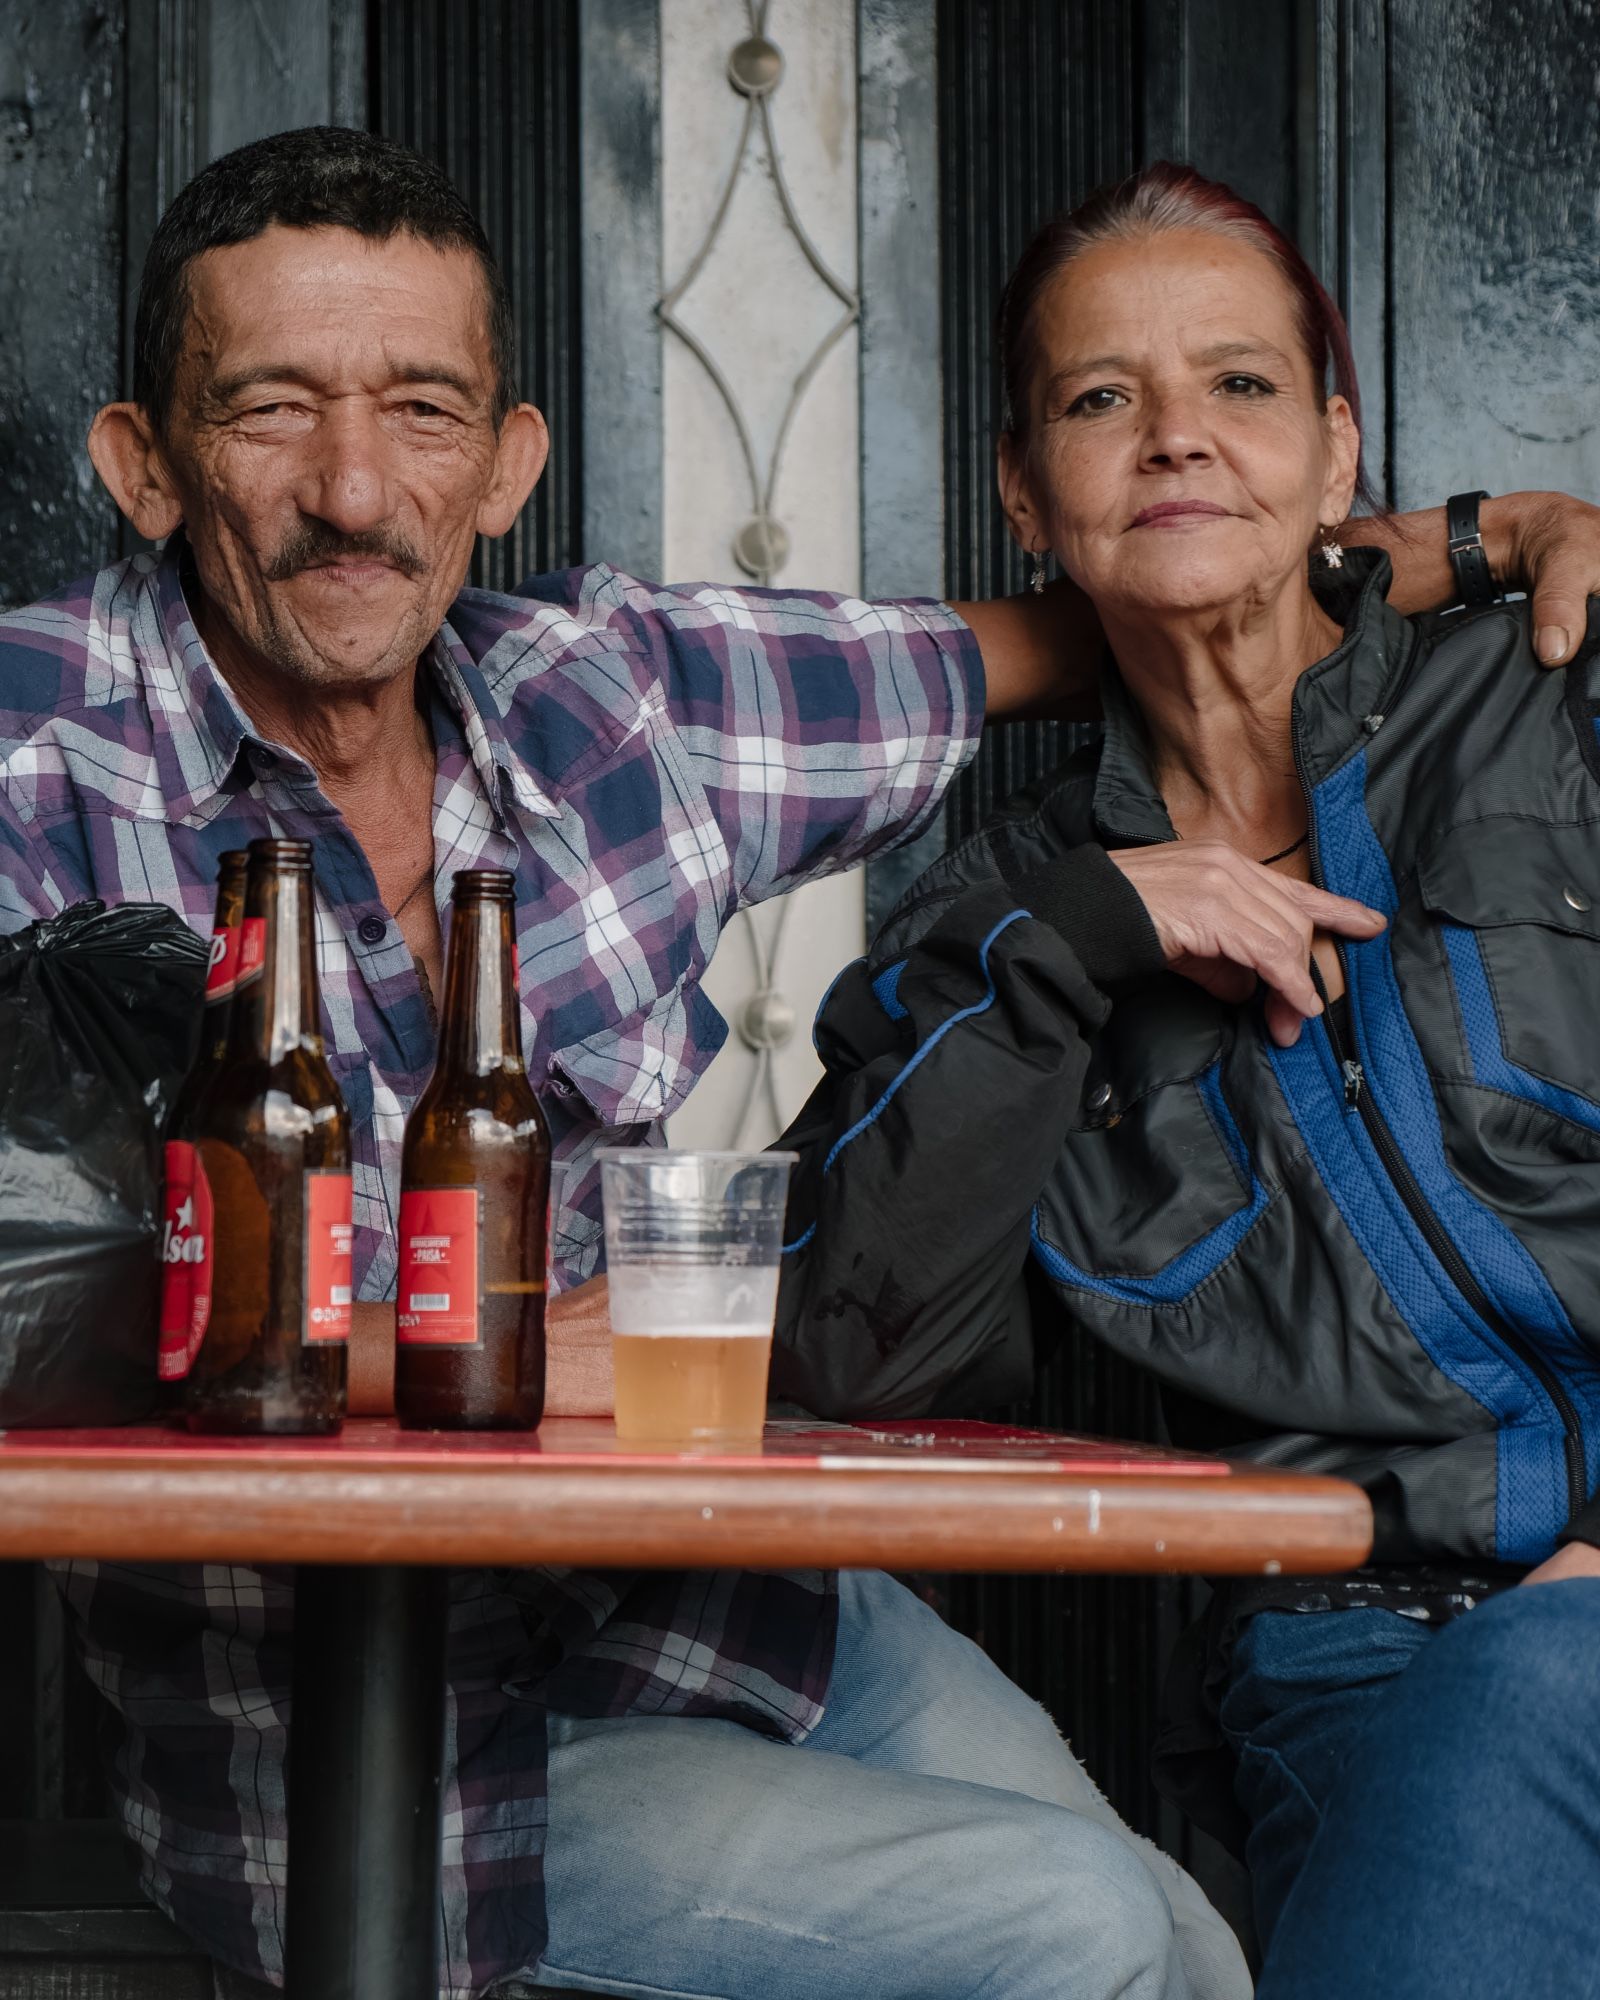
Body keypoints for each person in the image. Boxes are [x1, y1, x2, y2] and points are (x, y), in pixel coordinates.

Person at [1, 128, 1591, 2000]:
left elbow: (1135, 590)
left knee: (1181, 1936)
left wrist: (1475, 540)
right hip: (341, 1746)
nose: (356, 488)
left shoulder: (607, 700)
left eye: (423, 411)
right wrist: (496, 1342)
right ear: (141, 464)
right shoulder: (35, 752)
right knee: (1082, 1939)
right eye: (273, 410)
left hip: (704, 1600)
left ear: (506, 463)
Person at [771, 160, 1600, 1999]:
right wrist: (1075, 938)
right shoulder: (999, 911)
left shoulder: (1557, 699)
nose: (1172, 438)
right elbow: (854, 1354)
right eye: (1098, 398)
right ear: (1024, 487)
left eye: (1237, 384)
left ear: (1336, 443)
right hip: (1356, 1654)